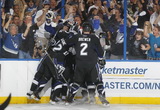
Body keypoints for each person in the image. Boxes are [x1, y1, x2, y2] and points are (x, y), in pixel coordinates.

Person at [53, 22, 106, 104]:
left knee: (76, 82)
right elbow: (100, 53)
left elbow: (66, 42)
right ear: (90, 30)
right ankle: (103, 99)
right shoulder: (94, 38)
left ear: (82, 29)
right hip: (91, 64)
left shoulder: (77, 37)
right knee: (98, 81)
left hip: (79, 64)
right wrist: (101, 58)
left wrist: (55, 44)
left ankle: (69, 99)